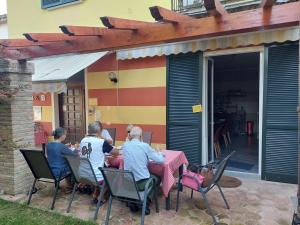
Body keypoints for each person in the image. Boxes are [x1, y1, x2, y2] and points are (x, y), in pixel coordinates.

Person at [122, 126, 164, 215]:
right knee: (157, 178)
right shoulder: (145, 146)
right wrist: (160, 153)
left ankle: (133, 201)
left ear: (130, 136)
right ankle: (145, 202)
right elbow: (160, 160)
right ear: (141, 136)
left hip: (128, 182)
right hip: (141, 183)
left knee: (145, 175)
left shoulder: (125, 145)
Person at [80, 122, 119, 203]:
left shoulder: (83, 140)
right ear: (98, 131)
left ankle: (95, 193)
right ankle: (101, 197)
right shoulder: (101, 142)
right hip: (95, 176)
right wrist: (103, 139)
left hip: (83, 174)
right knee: (113, 173)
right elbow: (116, 152)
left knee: (101, 170)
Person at [46, 127, 77, 193]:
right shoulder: (62, 146)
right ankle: (70, 186)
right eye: (65, 134)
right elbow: (74, 154)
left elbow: (56, 151)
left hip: (49, 170)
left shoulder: (48, 145)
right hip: (59, 171)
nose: (66, 136)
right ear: (62, 136)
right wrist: (75, 148)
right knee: (73, 166)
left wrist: (65, 146)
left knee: (65, 164)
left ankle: (68, 186)